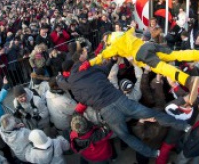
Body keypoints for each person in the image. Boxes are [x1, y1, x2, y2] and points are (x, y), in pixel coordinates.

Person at [57, 49, 191, 158]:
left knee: (125, 136)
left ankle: (152, 153)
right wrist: (113, 61)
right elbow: (107, 69)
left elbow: (80, 97)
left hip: (106, 110)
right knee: (153, 113)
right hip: (120, 100)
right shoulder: (91, 68)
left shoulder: (71, 84)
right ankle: (184, 126)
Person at [89, 21, 199, 101]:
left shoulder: (113, 45)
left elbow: (100, 56)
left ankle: (189, 81)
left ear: (107, 39)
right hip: (148, 45)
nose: (105, 43)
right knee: (176, 54)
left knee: (163, 68)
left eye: (105, 41)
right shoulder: (124, 34)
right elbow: (132, 29)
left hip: (141, 54)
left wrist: (88, 63)